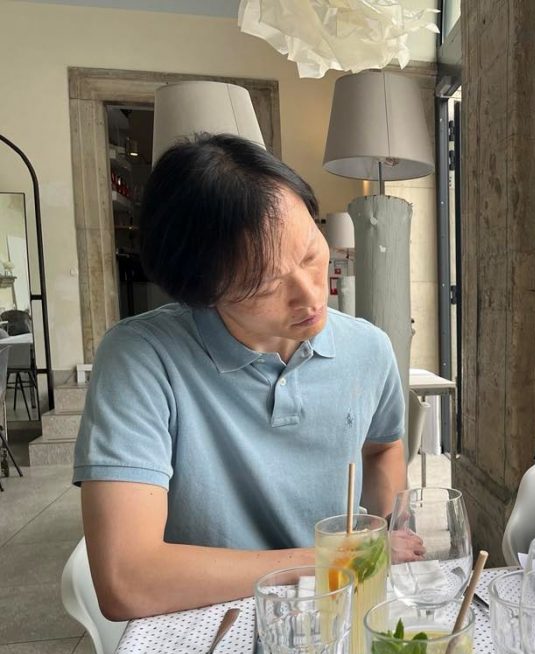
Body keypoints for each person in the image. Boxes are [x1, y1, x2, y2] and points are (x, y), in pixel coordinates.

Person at [74, 134, 408, 621]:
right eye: (265, 286)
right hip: (207, 628)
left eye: (310, 255)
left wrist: (385, 529)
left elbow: (382, 447)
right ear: (201, 293)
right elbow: (127, 580)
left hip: (339, 622)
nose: (310, 296)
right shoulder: (142, 359)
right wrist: (336, 558)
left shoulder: (368, 349)